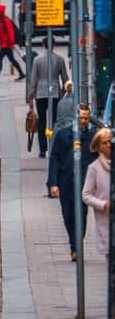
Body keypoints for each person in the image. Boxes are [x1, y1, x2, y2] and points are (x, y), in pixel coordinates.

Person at [48, 103, 98, 261]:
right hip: (66, 183)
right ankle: (74, 244)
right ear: (76, 117)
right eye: (81, 117)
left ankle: (77, 247)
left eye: (86, 118)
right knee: (68, 216)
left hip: (84, 185)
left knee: (82, 216)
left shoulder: (91, 138)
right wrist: (53, 183)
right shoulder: (63, 135)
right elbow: (54, 159)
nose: (83, 121)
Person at [26, 47, 69, 158]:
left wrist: (30, 97)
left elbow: (33, 79)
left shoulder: (37, 60)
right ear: (54, 45)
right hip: (55, 93)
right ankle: (55, 146)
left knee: (41, 122)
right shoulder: (60, 59)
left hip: (40, 94)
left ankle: (42, 150)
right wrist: (63, 92)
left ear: (43, 45)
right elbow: (65, 79)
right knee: (56, 122)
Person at [82, 127, 111, 258]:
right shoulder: (94, 168)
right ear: (98, 147)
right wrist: (102, 204)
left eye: (110, 142)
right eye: (105, 143)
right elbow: (86, 195)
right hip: (106, 219)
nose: (109, 145)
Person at [0, 4, 25, 80]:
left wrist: (11, 43)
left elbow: (11, 32)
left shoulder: (5, 20)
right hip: (5, 44)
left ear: (0, 11)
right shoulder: (1, 20)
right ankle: (21, 74)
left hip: (6, 44)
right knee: (12, 59)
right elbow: (2, 31)